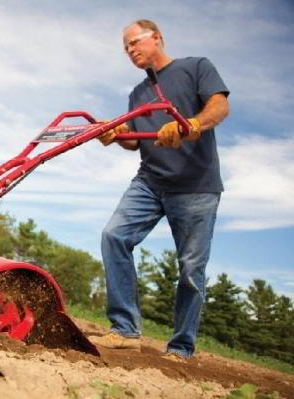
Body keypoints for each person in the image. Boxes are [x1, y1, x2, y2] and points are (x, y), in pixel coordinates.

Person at [90, 19, 230, 362]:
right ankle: (125, 330)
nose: (130, 50)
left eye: (134, 42)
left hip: (196, 185)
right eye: (125, 48)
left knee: (191, 269)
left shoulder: (196, 67)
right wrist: (114, 135)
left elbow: (219, 106)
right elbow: (134, 142)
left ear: (157, 37)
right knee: (114, 236)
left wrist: (193, 123)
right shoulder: (137, 94)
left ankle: (181, 346)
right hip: (150, 181)